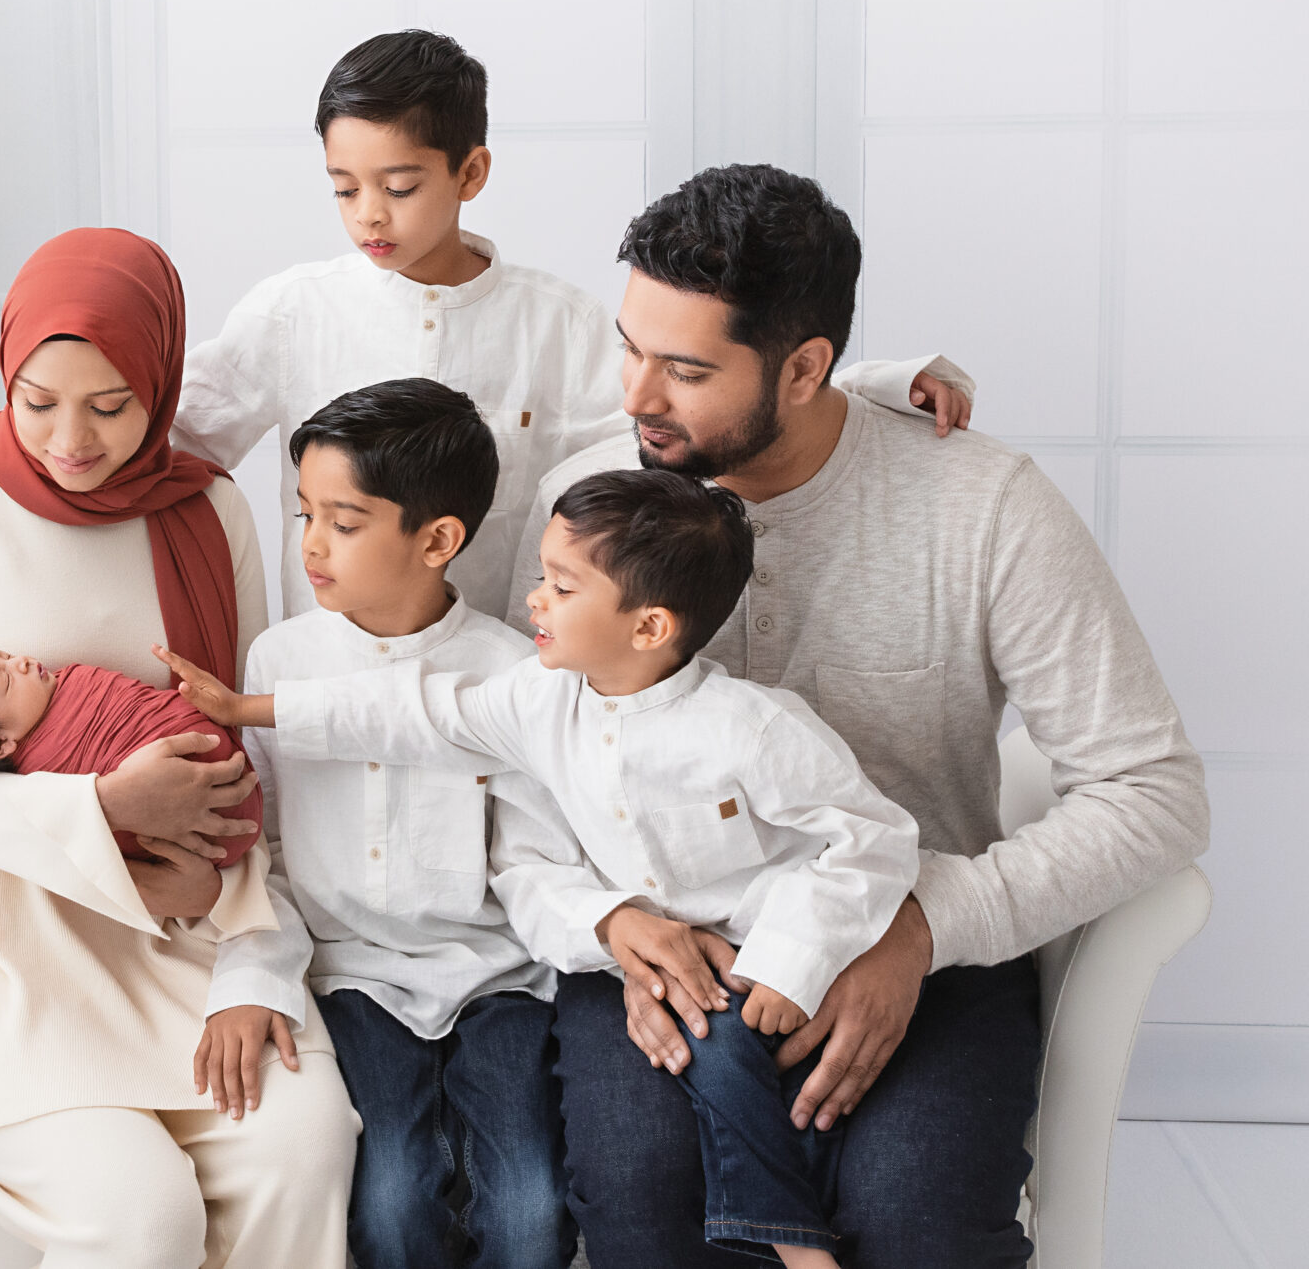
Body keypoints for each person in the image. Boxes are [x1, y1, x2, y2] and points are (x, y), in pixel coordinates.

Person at [507, 165, 1209, 1268]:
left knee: (912, 1226)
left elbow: (1153, 792)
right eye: (630, 346)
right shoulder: (593, 500)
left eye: (685, 369)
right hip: (670, 945)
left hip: (912, 940)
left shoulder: (982, 507)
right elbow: (522, 764)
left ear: (803, 367)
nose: (636, 396)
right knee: (646, 1211)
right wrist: (606, 924)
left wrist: (926, 926)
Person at [0, 31, 974, 615]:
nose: (369, 216)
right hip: (329, 677)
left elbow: (693, 403)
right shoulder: (296, 311)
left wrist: (868, 382)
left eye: (398, 184)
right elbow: (151, 426)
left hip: (499, 686)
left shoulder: (557, 321)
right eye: (343, 187)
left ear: (471, 169)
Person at [169, 469, 923, 1268]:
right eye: (541, 575)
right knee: (709, 1047)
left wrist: (790, 964)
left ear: (650, 626)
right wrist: (252, 710)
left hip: (759, 946)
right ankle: (791, 1235)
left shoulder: (752, 729)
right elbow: (415, 711)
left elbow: (874, 838)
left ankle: (793, 1241)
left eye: (561, 586)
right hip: (655, 958)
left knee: (728, 1048)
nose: (533, 598)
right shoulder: (540, 698)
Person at [0, 226, 358, 1269]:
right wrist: (105, 810)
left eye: (111, 406)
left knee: (301, 1149)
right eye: (36, 403)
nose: (70, 440)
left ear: (161, 384)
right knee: (138, 1215)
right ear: (4, 376)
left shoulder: (206, 511)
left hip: (174, 927)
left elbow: (244, 756)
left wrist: (249, 959)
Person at [194, 378, 579, 1269]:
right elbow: (265, 857)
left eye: (346, 520)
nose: (312, 546)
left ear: (438, 539)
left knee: (532, 1211)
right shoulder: (279, 659)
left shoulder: (510, 672)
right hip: (352, 977)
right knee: (392, 1202)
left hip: (499, 981)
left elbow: (534, 857)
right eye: (304, 514)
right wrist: (248, 978)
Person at [0, 643, 262, 867]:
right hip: (214, 815)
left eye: (6, 656)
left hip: (225, 762)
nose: (21, 662)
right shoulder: (46, 781)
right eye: (8, 679)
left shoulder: (59, 688)